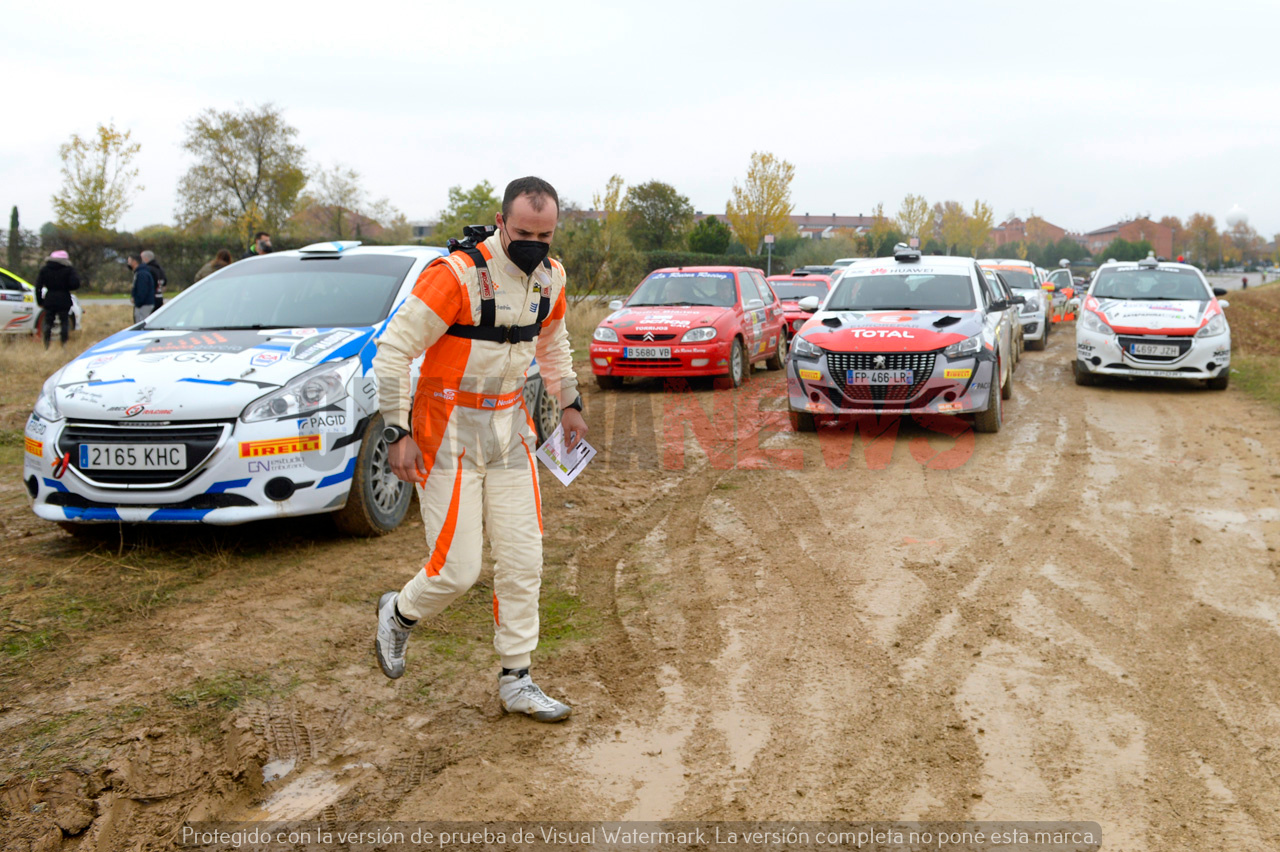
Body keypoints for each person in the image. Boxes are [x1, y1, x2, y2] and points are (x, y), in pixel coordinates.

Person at [372, 176, 587, 723]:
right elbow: (393, 352)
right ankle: (398, 615)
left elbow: (555, 344)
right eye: (524, 232)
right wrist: (396, 431)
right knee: (456, 570)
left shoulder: (552, 277)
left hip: (510, 427)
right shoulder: (455, 277)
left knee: (523, 559)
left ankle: (517, 678)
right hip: (446, 428)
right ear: (500, 222)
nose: (536, 243)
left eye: (546, 233)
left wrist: (570, 402)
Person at [34, 250, 80, 348]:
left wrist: (40, 301)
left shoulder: (45, 269)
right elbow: (75, 284)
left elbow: (38, 286)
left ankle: (46, 344)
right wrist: (66, 286)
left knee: (48, 322)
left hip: (49, 298)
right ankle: (64, 344)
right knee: (64, 322)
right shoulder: (69, 269)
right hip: (64, 298)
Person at [127, 254, 156, 323]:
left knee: (141, 324)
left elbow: (142, 290)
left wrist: (138, 301)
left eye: (129, 261)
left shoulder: (142, 274)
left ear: (134, 262)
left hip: (144, 305)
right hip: (143, 304)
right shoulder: (139, 272)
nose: (128, 263)